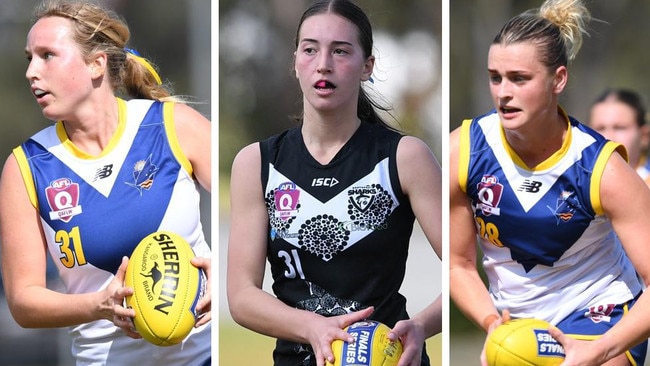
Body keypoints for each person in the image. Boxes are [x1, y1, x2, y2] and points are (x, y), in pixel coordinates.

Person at [226, 1, 442, 365]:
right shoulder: (256, 163)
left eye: (340, 51)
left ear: (367, 66)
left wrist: (422, 325)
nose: (323, 63)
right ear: (295, 61)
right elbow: (241, 295)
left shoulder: (405, 157)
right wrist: (311, 327)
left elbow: (463, 266)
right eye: (310, 49)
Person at [0, 1, 211, 365]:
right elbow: (23, 301)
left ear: (96, 64)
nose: (32, 71)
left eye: (47, 55)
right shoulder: (26, 167)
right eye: (29, 58)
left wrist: (224, 272)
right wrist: (99, 305)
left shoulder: (174, 125)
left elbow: (253, 208)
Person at [449, 0, 650, 365]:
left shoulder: (602, 169)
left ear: (558, 79)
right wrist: (493, 324)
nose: (503, 93)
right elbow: (457, 264)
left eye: (519, 79)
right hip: (516, 325)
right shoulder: (463, 152)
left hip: (598, 313)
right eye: (495, 77)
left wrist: (601, 349)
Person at [588, 88, 650, 187]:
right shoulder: (573, 186)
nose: (608, 137)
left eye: (620, 128)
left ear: (644, 136)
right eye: (600, 128)